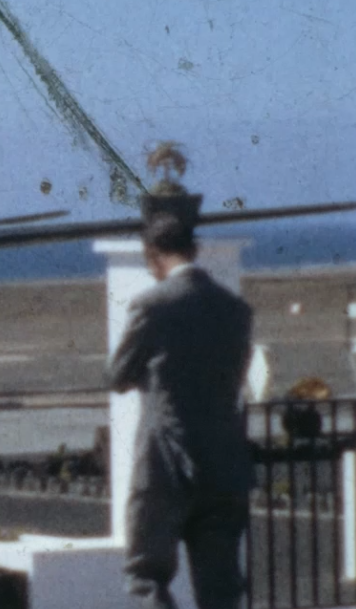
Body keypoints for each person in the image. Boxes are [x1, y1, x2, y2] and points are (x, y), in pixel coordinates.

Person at [109, 212, 254, 609]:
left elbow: (118, 375)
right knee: (222, 586)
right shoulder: (235, 309)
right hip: (224, 461)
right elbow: (234, 376)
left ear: (152, 255)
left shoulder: (152, 306)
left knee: (146, 574)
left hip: (164, 460)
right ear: (195, 249)